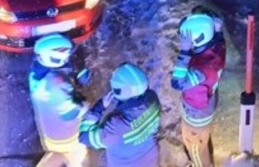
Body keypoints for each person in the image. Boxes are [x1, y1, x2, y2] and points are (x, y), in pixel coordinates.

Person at [171, 7, 226, 167]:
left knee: (195, 149)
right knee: (202, 140)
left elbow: (177, 83)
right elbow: (219, 37)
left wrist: (184, 52)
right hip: (207, 101)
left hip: (196, 117)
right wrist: (216, 29)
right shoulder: (217, 48)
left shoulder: (200, 70)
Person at [79, 62, 161, 167]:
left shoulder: (115, 127)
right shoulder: (153, 98)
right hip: (150, 160)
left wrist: (100, 107)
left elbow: (84, 137)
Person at [30, 34, 91, 167]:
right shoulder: (55, 85)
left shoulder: (40, 69)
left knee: (57, 157)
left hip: (50, 132)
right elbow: (71, 113)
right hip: (66, 138)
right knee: (77, 157)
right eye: (65, 55)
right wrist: (85, 105)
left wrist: (76, 81)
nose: (67, 57)